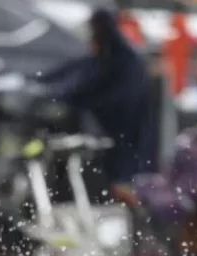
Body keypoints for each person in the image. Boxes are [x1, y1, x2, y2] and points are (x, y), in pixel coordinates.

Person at [42, 8, 157, 200]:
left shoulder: (119, 59)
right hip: (118, 129)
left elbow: (94, 87)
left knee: (121, 174)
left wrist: (74, 99)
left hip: (124, 129)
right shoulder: (112, 55)